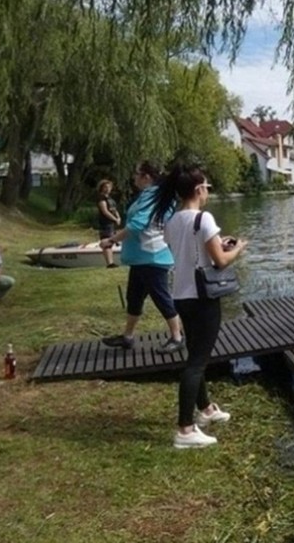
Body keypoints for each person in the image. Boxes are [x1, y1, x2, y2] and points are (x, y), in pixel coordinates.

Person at [150, 163, 247, 448]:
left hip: (181, 295)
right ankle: (185, 430)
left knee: (195, 354)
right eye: (206, 187)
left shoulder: (172, 221)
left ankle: (205, 409)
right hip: (203, 297)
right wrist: (237, 248)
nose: (207, 192)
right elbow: (220, 261)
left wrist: (218, 243)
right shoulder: (204, 218)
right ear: (198, 189)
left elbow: (188, 252)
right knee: (196, 363)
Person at [99, 161, 183, 353]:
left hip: (152, 258)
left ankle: (177, 337)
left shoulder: (152, 196)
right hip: (142, 258)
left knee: (161, 298)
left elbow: (137, 225)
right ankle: (127, 337)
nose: (133, 177)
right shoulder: (153, 195)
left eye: (136, 174)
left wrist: (111, 240)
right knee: (134, 298)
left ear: (146, 177)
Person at [96, 179, 121, 268]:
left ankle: (112, 261)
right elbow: (105, 211)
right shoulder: (101, 198)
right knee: (107, 241)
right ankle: (110, 263)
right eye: (105, 187)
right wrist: (115, 219)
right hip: (105, 223)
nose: (108, 189)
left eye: (109, 187)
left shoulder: (110, 199)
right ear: (101, 188)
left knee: (112, 240)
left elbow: (114, 209)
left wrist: (118, 217)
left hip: (112, 223)